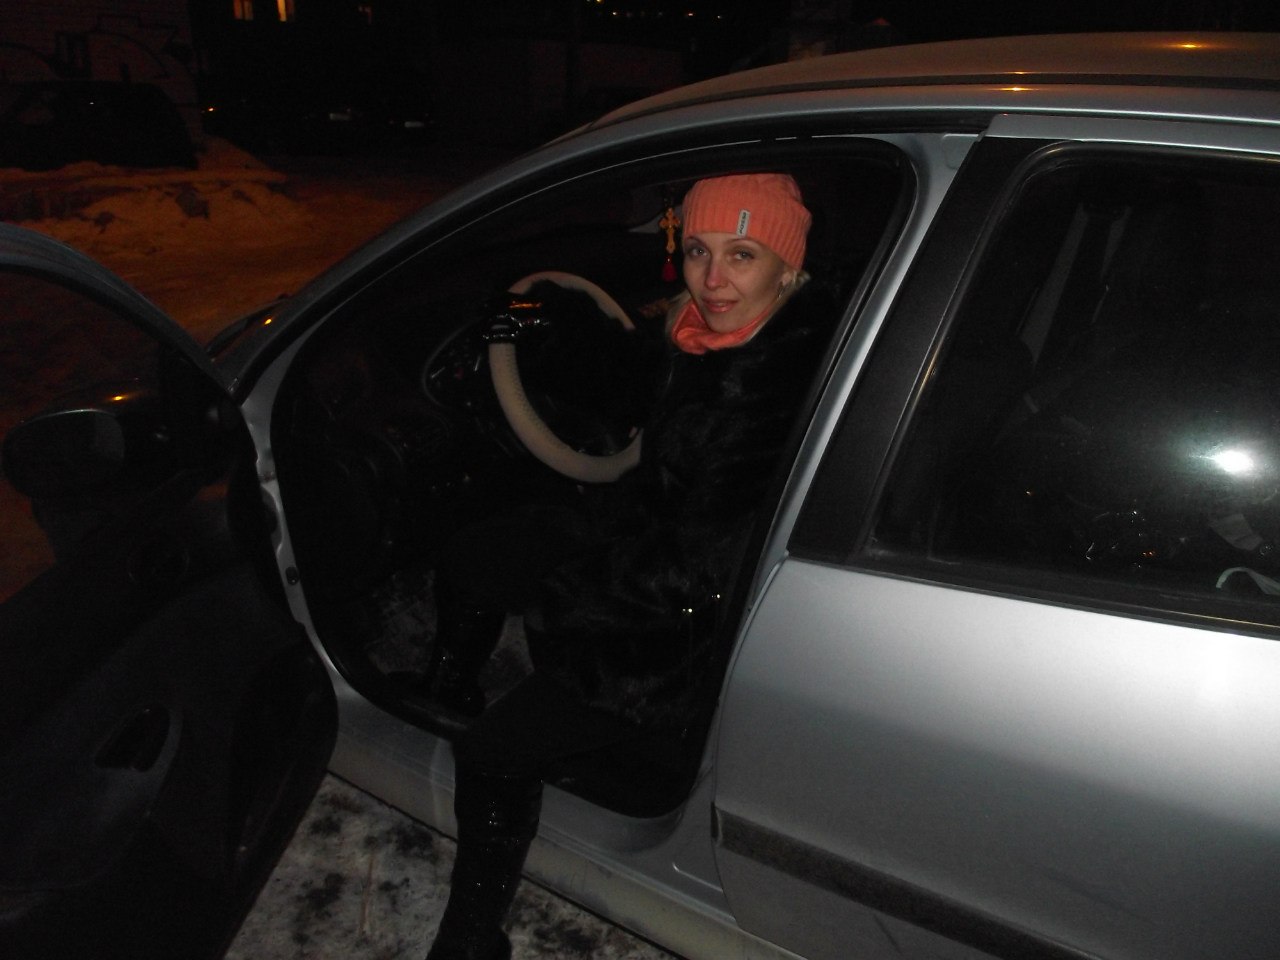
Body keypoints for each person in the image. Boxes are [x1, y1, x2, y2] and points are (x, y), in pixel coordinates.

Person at [424, 173, 832, 960]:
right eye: (700, 251)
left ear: (788, 268)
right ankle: (446, 690)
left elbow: (699, 569)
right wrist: (526, 314)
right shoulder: (705, 335)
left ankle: (468, 941)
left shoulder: (776, 393)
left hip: (676, 638)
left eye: (743, 255)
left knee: (494, 754)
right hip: (637, 549)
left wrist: (569, 594)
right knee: (475, 551)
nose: (713, 280)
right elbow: (622, 368)